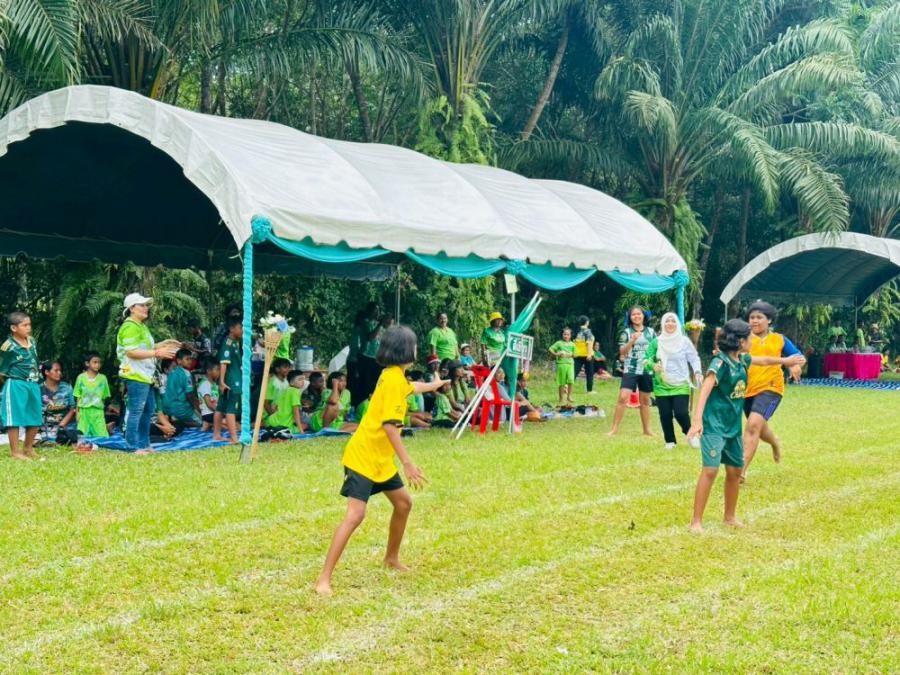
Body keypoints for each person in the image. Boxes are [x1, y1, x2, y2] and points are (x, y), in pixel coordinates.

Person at [315, 325, 447, 595]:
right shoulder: (394, 380)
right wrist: (408, 464)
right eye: (414, 345)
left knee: (403, 503)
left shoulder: (393, 375)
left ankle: (391, 558)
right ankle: (323, 579)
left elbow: (412, 387)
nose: (417, 349)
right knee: (356, 515)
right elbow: (390, 427)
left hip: (381, 460)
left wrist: (435, 385)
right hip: (364, 457)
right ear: (406, 351)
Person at [687, 319, 805, 532]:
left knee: (734, 471)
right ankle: (696, 522)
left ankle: (729, 517)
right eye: (749, 337)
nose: (753, 340)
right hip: (714, 425)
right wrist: (697, 421)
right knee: (711, 470)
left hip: (733, 426)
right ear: (740, 341)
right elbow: (706, 387)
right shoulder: (720, 362)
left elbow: (765, 360)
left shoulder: (743, 360)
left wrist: (786, 360)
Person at [741, 301, 805, 482]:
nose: (754, 321)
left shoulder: (779, 339)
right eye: (752, 317)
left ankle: (741, 470)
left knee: (753, 425)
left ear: (769, 320)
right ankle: (775, 442)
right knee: (759, 429)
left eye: (759, 317)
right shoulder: (743, 339)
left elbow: (799, 357)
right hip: (746, 390)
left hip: (772, 388)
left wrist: (795, 366)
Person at [117, 294, 178, 455]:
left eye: (146, 305)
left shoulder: (141, 326)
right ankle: (132, 447)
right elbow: (131, 352)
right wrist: (157, 352)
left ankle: (144, 444)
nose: (146, 308)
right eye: (142, 305)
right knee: (136, 411)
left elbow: (145, 348)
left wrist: (162, 344)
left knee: (148, 410)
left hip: (146, 375)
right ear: (131, 308)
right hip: (135, 375)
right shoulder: (129, 327)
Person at [644, 313, 702, 449]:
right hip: (661, 384)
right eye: (667, 321)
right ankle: (670, 441)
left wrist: (697, 372)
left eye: (673, 321)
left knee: (681, 413)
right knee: (665, 414)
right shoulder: (656, 342)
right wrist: (652, 365)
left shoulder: (684, 341)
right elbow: (646, 360)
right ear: (663, 324)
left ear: (677, 324)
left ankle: (691, 435)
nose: (670, 324)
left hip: (681, 383)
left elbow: (694, 358)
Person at [608, 306, 657, 437]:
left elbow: (656, 349)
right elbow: (622, 352)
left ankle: (647, 430)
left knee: (645, 401)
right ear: (630, 317)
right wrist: (632, 341)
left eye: (639, 314)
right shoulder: (626, 332)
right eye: (633, 314)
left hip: (646, 369)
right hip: (631, 369)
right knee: (623, 398)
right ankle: (614, 429)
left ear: (643, 316)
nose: (636, 316)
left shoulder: (651, 332)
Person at [215, 317, 243, 444]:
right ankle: (234, 438)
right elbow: (223, 363)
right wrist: (222, 381)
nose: (242, 330)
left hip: (232, 377)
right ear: (232, 329)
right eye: (240, 328)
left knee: (221, 407)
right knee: (231, 408)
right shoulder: (228, 344)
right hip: (231, 380)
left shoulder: (236, 341)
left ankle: (216, 434)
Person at [73, 352, 111, 438]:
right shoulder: (80, 378)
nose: (97, 365)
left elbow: (103, 397)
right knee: (81, 438)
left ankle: (107, 428)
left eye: (99, 362)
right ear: (87, 363)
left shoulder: (103, 378)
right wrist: (77, 413)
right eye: (95, 362)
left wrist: (101, 411)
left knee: (103, 438)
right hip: (84, 412)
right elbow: (78, 397)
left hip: (98, 412)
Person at [39, 359, 77, 445]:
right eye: (56, 370)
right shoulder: (39, 389)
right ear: (47, 372)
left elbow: (72, 408)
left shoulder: (67, 388)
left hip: (65, 425)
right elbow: (35, 410)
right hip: (45, 426)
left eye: (60, 370)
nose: (59, 373)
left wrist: (61, 425)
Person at [162, 348, 201, 426]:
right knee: (202, 423)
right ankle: (181, 423)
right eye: (187, 359)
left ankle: (175, 420)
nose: (190, 361)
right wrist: (197, 409)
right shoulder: (186, 373)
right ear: (179, 361)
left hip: (167, 408)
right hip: (180, 408)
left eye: (191, 359)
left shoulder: (172, 372)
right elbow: (189, 395)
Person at [550, 327, 577, 406]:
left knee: (571, 380)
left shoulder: (572, 344)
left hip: (570, 364)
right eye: (565, 334)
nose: (566, 336)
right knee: (561, 382)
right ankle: (561, 398)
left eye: (568, 334)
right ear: (562, 335)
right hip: (561, 364)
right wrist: (556, 354)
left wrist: (571, 355)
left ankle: (569, 396)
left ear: (570, 336)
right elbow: (550, 349)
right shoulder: (559, 343)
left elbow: (575, 354)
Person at [263, 357, 293, 424]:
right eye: (285, 367)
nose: (288, 369)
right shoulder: (272, 382)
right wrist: (273, 416)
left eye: (289, 367)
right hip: (270, 415)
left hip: (280, 414)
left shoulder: (286, 382)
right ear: (277, 369)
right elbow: (266, 403)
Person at [573, 315, 596, 394]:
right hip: (587, 355)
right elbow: (589, 343)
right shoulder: (588, 331)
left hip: (577, 354)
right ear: (587, 322)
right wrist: (589, 354)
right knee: (589, 373)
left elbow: (573, 343)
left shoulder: (576, 331)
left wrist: (574, 353)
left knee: (574, 372)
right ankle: (589, 390)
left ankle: (567, 387)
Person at [197, 362, 220, 431]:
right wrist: (222, 412)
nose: (219, 372)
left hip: (214, 412)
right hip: (209, 414)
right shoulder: (205, 384)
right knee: (232, 424)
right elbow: (209, 404)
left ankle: (210, 424)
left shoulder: (214, 384)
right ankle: (210, 423)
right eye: (217, 369)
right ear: (209, 371)